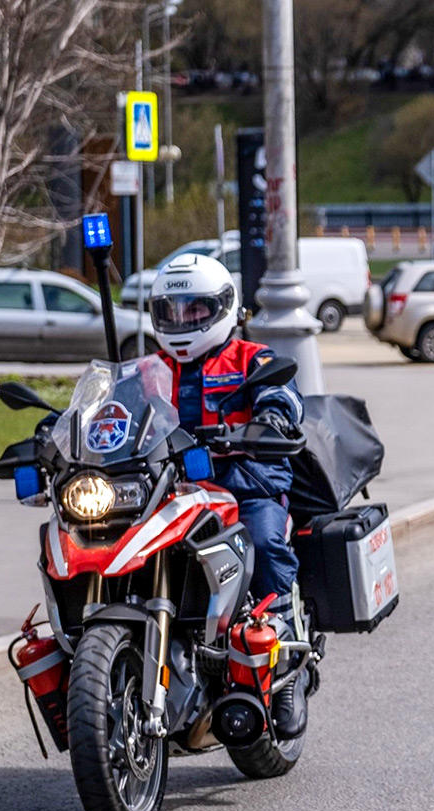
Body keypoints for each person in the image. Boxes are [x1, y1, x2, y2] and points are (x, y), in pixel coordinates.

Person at [145, 252, 308, 737]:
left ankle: (285, 663)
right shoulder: (147, 368)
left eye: (195, 309)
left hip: (245, 487)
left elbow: (285, 394)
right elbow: (112, 408)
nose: (182, 321)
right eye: (171, 311)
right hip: (168, 494)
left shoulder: (250, 360)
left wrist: (273, 417)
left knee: (265, 540)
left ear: (223, 308)